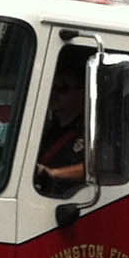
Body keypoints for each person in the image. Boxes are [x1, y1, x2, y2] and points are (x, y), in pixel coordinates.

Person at [33, 61, 86, 197]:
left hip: (69, 200)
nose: (54, 94)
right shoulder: (46, 128)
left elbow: (101, 167)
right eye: (52, 87)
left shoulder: (93, 131)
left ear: (83, 92)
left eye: (62, 88)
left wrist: (53, 173)